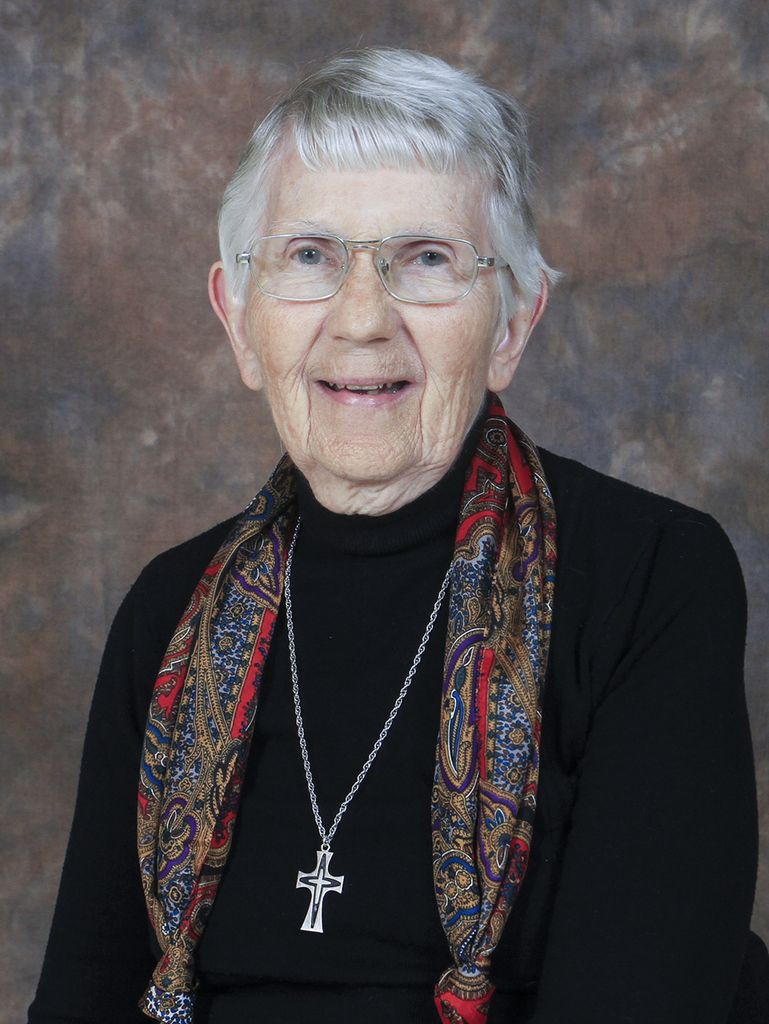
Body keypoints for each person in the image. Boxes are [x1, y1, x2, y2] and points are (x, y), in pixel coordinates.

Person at [29, 47, 767, 1024]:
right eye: (309, 256)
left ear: (511, 323)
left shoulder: (648, 575)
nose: (362, 319)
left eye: (425, 259)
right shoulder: (169, 606)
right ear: (240, 322)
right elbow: (84, 997)